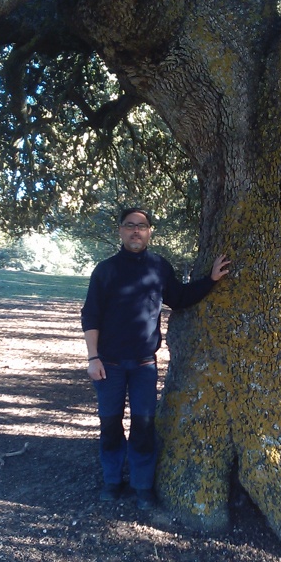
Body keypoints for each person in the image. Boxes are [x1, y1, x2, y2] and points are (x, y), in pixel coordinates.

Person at [81, 208, 230, 510]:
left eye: (142, 226)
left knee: (144, 426)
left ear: (150, 232)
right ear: (120, 231)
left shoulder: (160, 267)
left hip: (144, 366)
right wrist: (92, 357)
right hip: (107, 365)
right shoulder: (105, 270)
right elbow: (91, 315)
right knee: (110, 425)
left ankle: (142, 485)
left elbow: (180, 298)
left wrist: (211, 280)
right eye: (130, 226)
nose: (136, 231)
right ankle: (112, 481)